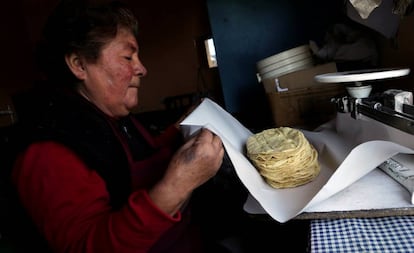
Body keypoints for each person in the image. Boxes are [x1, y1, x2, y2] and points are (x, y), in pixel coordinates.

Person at [5, 0, 249, 252]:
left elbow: (143, 160)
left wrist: (179, 129)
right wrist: (180, 184)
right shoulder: (47, 153)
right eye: (127, 56)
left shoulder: (113, 117)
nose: (141, 68)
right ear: (79, 65)